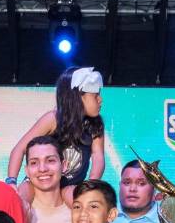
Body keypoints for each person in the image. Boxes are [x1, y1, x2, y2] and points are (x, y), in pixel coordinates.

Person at [6, 67, 105, 205]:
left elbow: (98, 156)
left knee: (80, 202)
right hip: (39, 182)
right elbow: (19, 149)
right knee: (21, 198)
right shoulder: (53, 119)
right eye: (95, 96)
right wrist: (11, 182)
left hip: (70, 186)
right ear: (77, 97)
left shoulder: (95, 124)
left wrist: (90, 185)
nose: (100, 100)